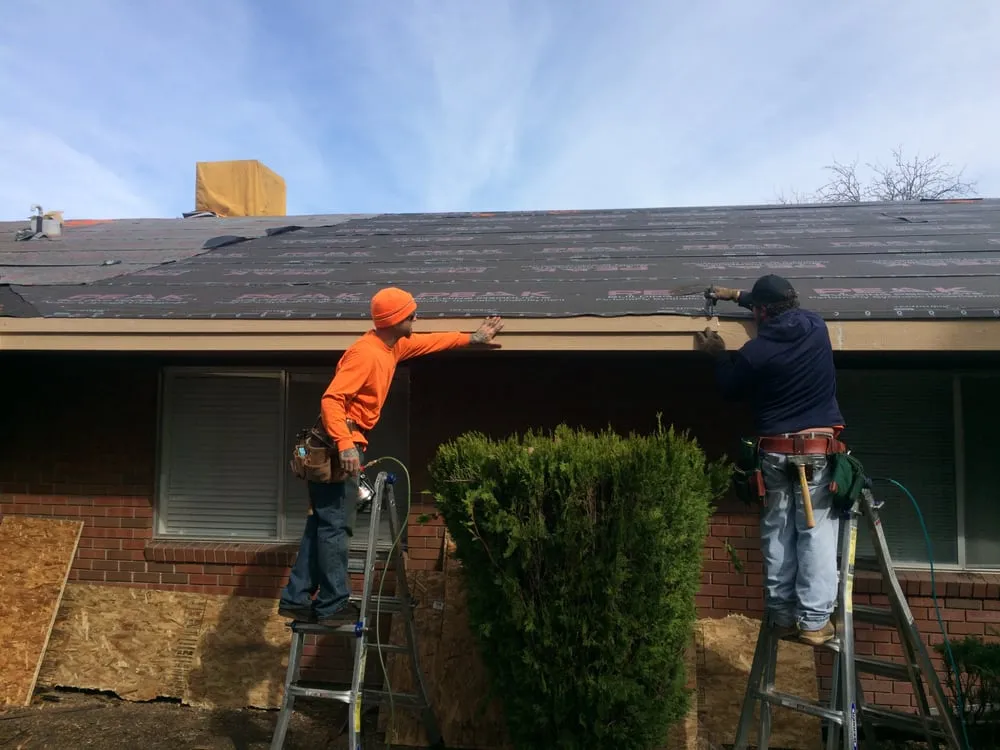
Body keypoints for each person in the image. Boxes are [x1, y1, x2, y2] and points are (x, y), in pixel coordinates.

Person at [278, 287, 504, 625]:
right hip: (338, 448)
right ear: (396, 319)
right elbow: (331, 401)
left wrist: (471, 338)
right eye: (412, 314)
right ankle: (332, 605)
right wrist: (346, 445)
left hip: (338, 445)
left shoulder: (392, 346)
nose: (417, 318)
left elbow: (431, 342)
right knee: (335, 529)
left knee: (322, 524)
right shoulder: (366, 354)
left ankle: (296, 598)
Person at [695, 274, 845, 646]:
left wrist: (716, 357)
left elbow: (729, 390)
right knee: (816, 532)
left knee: (778, 530)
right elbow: (770, 304)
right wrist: (739, 296)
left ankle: (781, 617)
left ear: (761, 312)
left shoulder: (755, 353)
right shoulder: (815, 326)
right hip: (815, 451)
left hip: (775, 452)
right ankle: (813, 622)